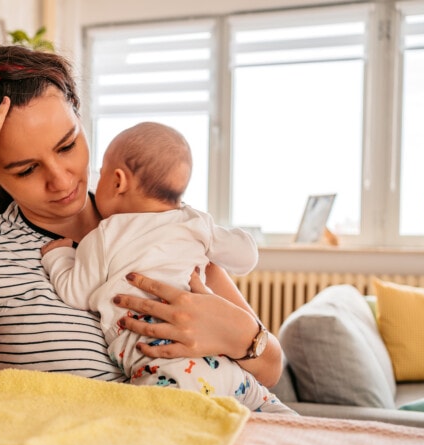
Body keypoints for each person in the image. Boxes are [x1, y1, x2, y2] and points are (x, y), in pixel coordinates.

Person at [0, 45, 284, 394]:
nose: (61, 179)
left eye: (67, 146)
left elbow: (271, 367)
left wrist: (241, 336)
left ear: (81, 121)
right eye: (26, 169)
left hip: (230, 441)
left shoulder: (152, 216)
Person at [40, 122, 293, 413]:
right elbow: (246, 257)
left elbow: (75, 291)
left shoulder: (105, 235)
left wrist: (58, 257)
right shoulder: (195, 221)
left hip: (169, 370)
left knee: (159, 429)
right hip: (229, 370)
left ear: (118, 181)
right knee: (290, 426)